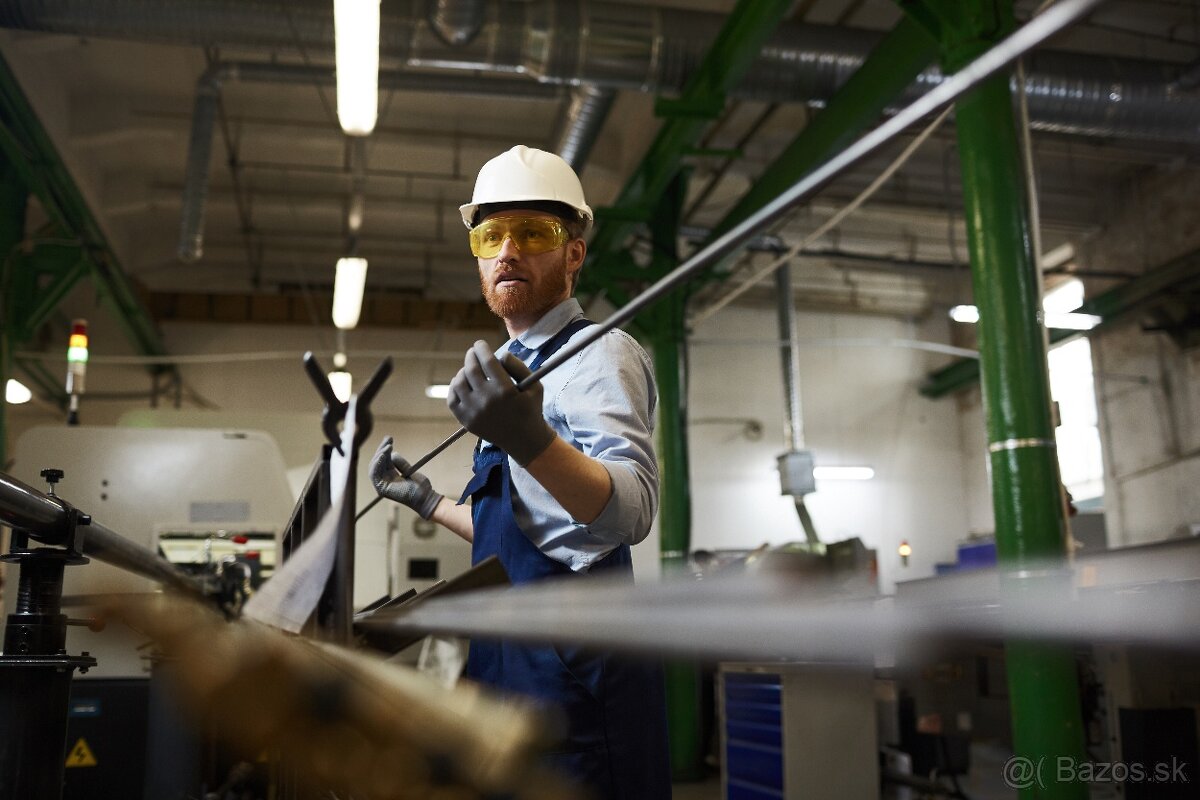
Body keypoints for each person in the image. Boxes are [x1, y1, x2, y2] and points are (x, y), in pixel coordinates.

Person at [369, 145, 672, 799]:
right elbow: (516, 531)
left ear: (574, 253)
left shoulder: (599, 352)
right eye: (491, 235)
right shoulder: (508, 364)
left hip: (574, 679)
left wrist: (529, 439)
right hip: (504, 664)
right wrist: (426, 501)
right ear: (477, 255)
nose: (508, 251)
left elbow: (632, 511)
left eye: (534, 233)